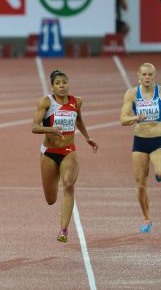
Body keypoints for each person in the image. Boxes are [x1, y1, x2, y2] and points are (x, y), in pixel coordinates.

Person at [31, 70, 98, 243]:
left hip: (69, 151)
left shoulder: (77, 101)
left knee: (68, 184)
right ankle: (54, 189)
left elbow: (79, 120)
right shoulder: (46, 102)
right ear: (52, 87)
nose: (62, 86)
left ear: (68, 84)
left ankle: (64, 230)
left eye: (64, 82)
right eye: (58, 83)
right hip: (49, 153)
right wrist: (50, 129)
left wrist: (87, 137)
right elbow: (34, 127)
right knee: (51, 199)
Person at [120, 63, 161, 233]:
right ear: (138, 76)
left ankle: (159, 174)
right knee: (140, 184)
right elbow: (123, 119)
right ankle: (147, 218)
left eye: (150, 75)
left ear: (154, 76)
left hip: (157, 140)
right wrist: (136, 118)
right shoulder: (132, 94)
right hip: (139, 142)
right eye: (144, 74)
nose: (147, 78)